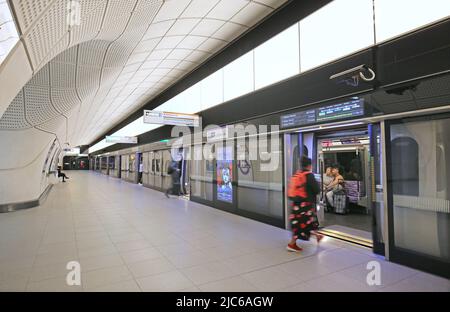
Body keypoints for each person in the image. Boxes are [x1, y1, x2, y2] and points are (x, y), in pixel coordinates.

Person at [286, 156, 323, 252]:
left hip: (297, 204)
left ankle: (317, 236)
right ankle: (291, 244)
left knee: (306, 222)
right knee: (303, 224)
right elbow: (317, 190)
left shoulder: (298, 174)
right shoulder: (309, 175)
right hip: (305, 205)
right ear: (309, 165)